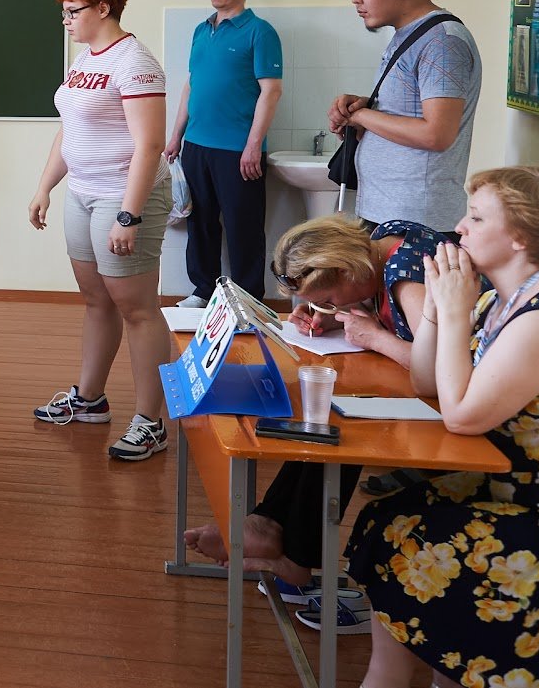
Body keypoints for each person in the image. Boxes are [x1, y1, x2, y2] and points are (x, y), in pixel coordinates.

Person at [346, 166, 539, 687]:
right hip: (505, 483)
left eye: (475, 217)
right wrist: (437, 307)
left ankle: (410, 674)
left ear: (520, 237)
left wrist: (455, 316)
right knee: (384, 518)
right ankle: (417, 672)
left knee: (405, 535)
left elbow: (462, 415)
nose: (459, 227)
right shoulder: (499, 300)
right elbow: (428, 381)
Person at [181, 213, 443, 594]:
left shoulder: (407, 277)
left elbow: (435, 369)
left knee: (344, 430)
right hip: (430, 388)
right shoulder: (379, 243)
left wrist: (374, 338)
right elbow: (388, 312)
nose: (327, 307)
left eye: (328, 300)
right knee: (327, 415)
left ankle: (293, 551)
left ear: (346, 270)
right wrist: (333, 318)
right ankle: (269, 526)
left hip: (465, 404)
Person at [28, 0, 173, 462]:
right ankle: (90, 399)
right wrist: (45, 187)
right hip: (83, 193)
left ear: (103, 8)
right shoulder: (84, 58)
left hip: (124, 196)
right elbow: (69, 129)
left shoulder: (136, 62)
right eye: (64, 12)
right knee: (96, 300)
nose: (65, 20)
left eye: (73, 11)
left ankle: (151, 422)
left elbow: (150, 145)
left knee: (138, 308)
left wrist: (129, 216)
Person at [328, 0, 481, 233]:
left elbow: (437, 134)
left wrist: (361, 116)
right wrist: (365, 107)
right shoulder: (409, 34)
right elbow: (410, 110)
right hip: (388, 211)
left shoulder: (442, 42)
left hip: (416, 220)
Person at [164, 0, 283, 304]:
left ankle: (248, 298)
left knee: (243, 225)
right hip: (196, 145)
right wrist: (176, 137)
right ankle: (203, 290)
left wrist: (253, 145)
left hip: (237, 148)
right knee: (199, 223)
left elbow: (271, 91)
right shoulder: (201, 30)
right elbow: (191, 86)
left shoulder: (260, 31)